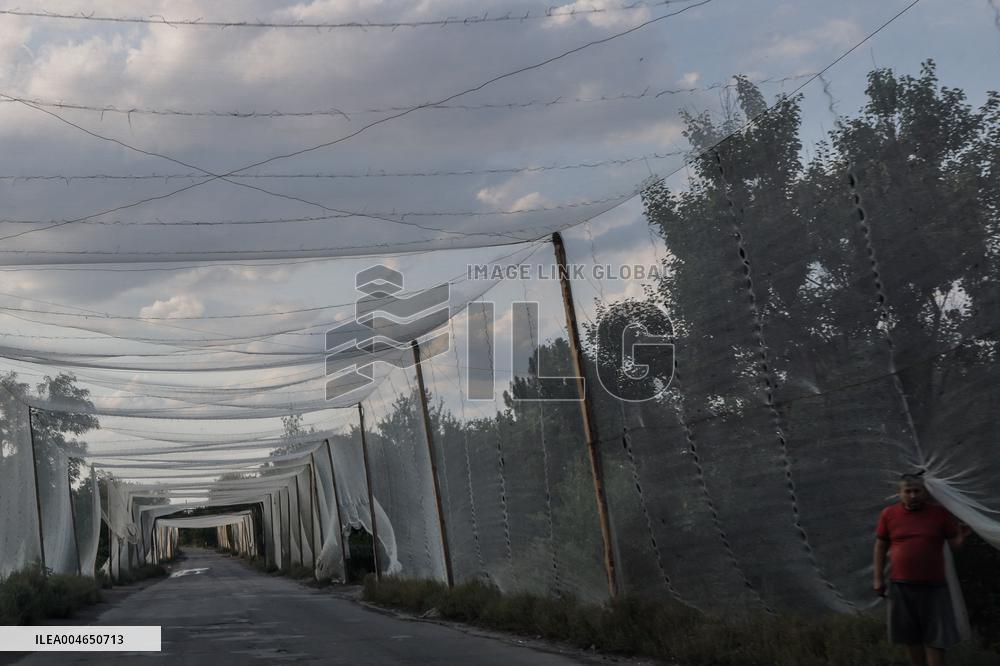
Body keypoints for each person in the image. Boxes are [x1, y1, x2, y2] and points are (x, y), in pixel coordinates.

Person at [874, 472, 969, 666]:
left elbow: (954, 545)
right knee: (910, 637)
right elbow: (881, 546)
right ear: (900, 493)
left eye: (916, 491)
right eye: (907, 491)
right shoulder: (889, 514)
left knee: (937, 639)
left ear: (924, 492)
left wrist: (962, 536)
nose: (912, 495)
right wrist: (878, 578)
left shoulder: (938, 514)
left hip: (934, 586)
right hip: (901, 585)